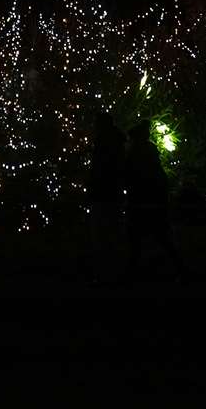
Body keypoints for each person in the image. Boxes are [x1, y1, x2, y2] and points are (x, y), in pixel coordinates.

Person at [124, 119, 184, 281]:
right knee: (161, 236)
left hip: (142, 201)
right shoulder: (150, 153)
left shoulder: (135, 154)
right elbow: (160, 178)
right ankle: (177, 268)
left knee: (138, 238)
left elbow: (129, 176)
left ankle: (134, 272)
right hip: (153, 200)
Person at [84, 112, 125, 284]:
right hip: (111, 193)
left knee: (103, 233)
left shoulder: (104, 144)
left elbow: (100, 169)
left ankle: (106, 273)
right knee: (111, 232)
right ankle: (113, 271)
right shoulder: (116, 142)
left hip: (103, 193)